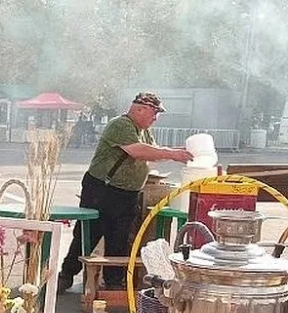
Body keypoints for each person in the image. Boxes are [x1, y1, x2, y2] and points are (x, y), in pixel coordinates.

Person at [58, 92, 194, 292]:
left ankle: (113, 283)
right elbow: (138, 151)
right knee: (88, 234)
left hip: (127, 194)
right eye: (154, 113)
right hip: (103, 189)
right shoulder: (121, 125)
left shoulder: (144, 131)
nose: (155, 119)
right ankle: (66, 275)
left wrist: (177, 151)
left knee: (119, 239)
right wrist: (172, 154)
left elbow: (152, 151)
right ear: (139, 109)